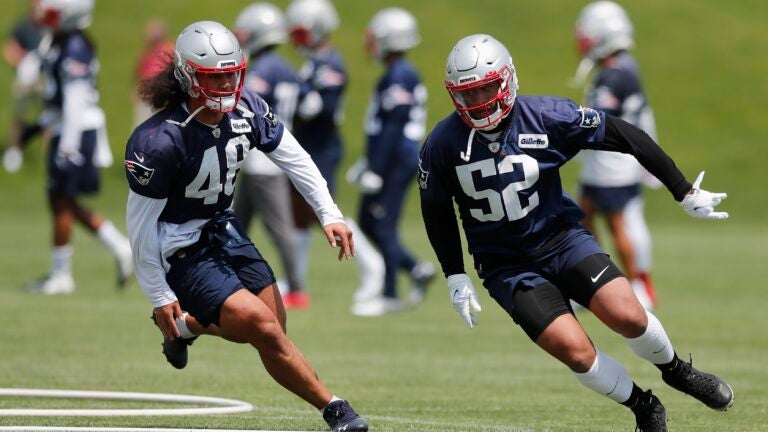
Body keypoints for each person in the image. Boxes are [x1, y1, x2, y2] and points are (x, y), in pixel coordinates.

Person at [418, 34, 733, 431]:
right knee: (576, 351)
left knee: (628, 315)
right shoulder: (441, 145)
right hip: (507, 266)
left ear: (507, 79)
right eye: (468, 93)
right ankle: (643, 406)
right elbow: (435, 210)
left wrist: (682, 190)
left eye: (486, 87)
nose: (478, 101)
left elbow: (624, 134)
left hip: (563, 240)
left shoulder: (547, 116)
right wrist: (455, 274)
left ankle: (676, 371)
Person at [125, 20, 367, 432]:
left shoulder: (248, 107)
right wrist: (159, 293)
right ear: (187, 76)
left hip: (222, 225)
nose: (224, 87)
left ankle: (184, 328)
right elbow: (140, 226)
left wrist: (329, 213)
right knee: (262, 327)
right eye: (212, 78)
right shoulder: (160, 140)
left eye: (230, 75)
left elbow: (294, 156)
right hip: (177, 242)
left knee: (273, 326)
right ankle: (336, 410)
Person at [26, 0, 132, 295]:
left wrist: (69, 146)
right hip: (66, 127)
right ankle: (120, 247)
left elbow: (74, 99)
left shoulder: (74, 46)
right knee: (63, 202)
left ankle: (62, 276)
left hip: (76, 131)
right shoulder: (59, 41)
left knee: (61, 201)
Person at [348, 7, 435, 316]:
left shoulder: (401, 75)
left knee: (382, 225)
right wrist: (367, 161)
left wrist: (376, 167)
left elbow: (395, 125)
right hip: (390, 158)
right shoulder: (395, 74)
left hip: (397, 159)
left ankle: (389, 293)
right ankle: (414, 269)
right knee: (369, 221)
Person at [572, 1, 659, 310]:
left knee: (617, 223)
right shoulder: (623, 68)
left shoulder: (615, 75)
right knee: (580, 216)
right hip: (609, 164)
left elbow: (598, 120)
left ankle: (636, 286)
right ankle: (596, 279)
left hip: (611, 166)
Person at [231, 2, 307, 308]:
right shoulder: (287, 68)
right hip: (268, 156)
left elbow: (246, 108)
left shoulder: (262, 69)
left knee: (279, 229)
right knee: (235, 222)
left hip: (264, 160)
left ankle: (298, 289)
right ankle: (227, 276)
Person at [283, 0, 346, 303]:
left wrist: (298, 91)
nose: (297, 41)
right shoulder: (312, 64)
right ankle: (297, 278)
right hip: (306, 147)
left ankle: (373, 267)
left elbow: (317, 108)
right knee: (297, 215)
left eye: (301, 33)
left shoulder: (330, 64)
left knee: (327, 211)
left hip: (322, 148)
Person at [2, 1, 45, 173]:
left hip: (45, 79)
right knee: (19, 115)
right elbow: (8, 49)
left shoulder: (51, 28)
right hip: (26, 79)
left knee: (50, 117)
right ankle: (14, 150)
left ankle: (48, 154)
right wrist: (24, 62)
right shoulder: (23, 26)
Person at [133, 18, 174, 127]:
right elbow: (139, 72)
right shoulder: (148, 53)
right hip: (146, 97)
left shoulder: (170, 50)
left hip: (163, 96)